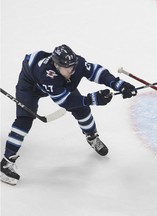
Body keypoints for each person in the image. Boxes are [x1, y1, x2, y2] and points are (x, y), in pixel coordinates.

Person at [1, 44, 137, 185]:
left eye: (73, 66)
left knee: (82, 110)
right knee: (24, 120)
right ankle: (6, 162)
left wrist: (118, 84)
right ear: (56, 65)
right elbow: (66, 101)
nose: (72, 70)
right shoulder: (48, 75)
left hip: (56, 82)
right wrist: (93, 99)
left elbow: (96, 72)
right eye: (68, 68)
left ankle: (91, 137)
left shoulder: (73, 64)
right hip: (29, 85)